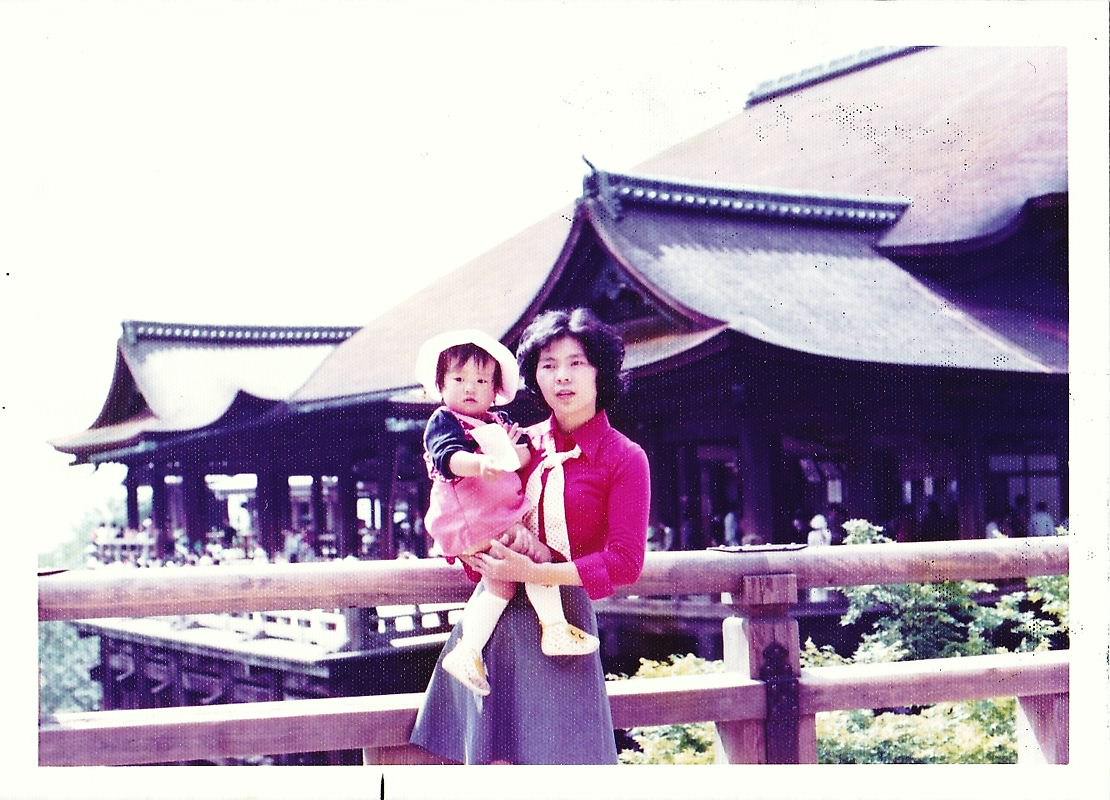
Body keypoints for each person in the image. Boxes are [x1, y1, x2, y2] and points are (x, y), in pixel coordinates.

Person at [410, 308, 651, 764]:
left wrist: (536, 571)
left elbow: (625, 562)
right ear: (533, 377)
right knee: (495, 769)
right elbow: (463, 500)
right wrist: (476, 553)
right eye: (548, 365)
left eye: (576, 363)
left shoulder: (625, 457)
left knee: (566, 765)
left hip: (561, 621)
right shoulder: (515, 445)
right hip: (492, 621)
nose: (562, 377)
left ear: (600, 371)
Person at [415, 329, 600, 697]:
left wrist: (511, 454)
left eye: (482, 381)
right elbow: (448, 456)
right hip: (473, 520)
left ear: (495, 389)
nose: (470, 388)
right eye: (459, 379)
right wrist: (480, 463)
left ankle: (468, 651)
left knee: (503, 583)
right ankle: (554, 628)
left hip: (494, 520)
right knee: (537, 557)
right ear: (441, 385)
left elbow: (524, 453)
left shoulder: (497, 424)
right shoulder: (445, 421)